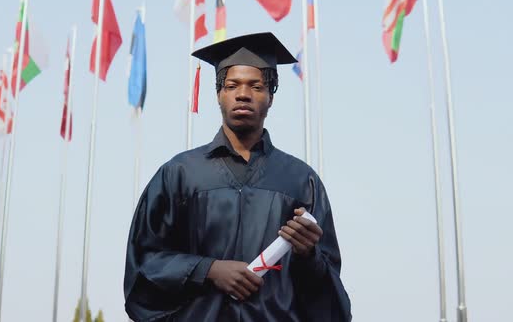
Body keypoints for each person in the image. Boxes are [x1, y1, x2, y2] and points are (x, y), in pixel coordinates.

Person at [124, 32, 351, 321]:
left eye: (256, 86)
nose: (243, 93)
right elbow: (144, 263)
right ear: (219, 93)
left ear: (270, 95)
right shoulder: (179, 174)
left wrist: (309, 256)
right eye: (232, 85)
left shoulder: (300, 180)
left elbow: (329, 297)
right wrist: (209, 269)